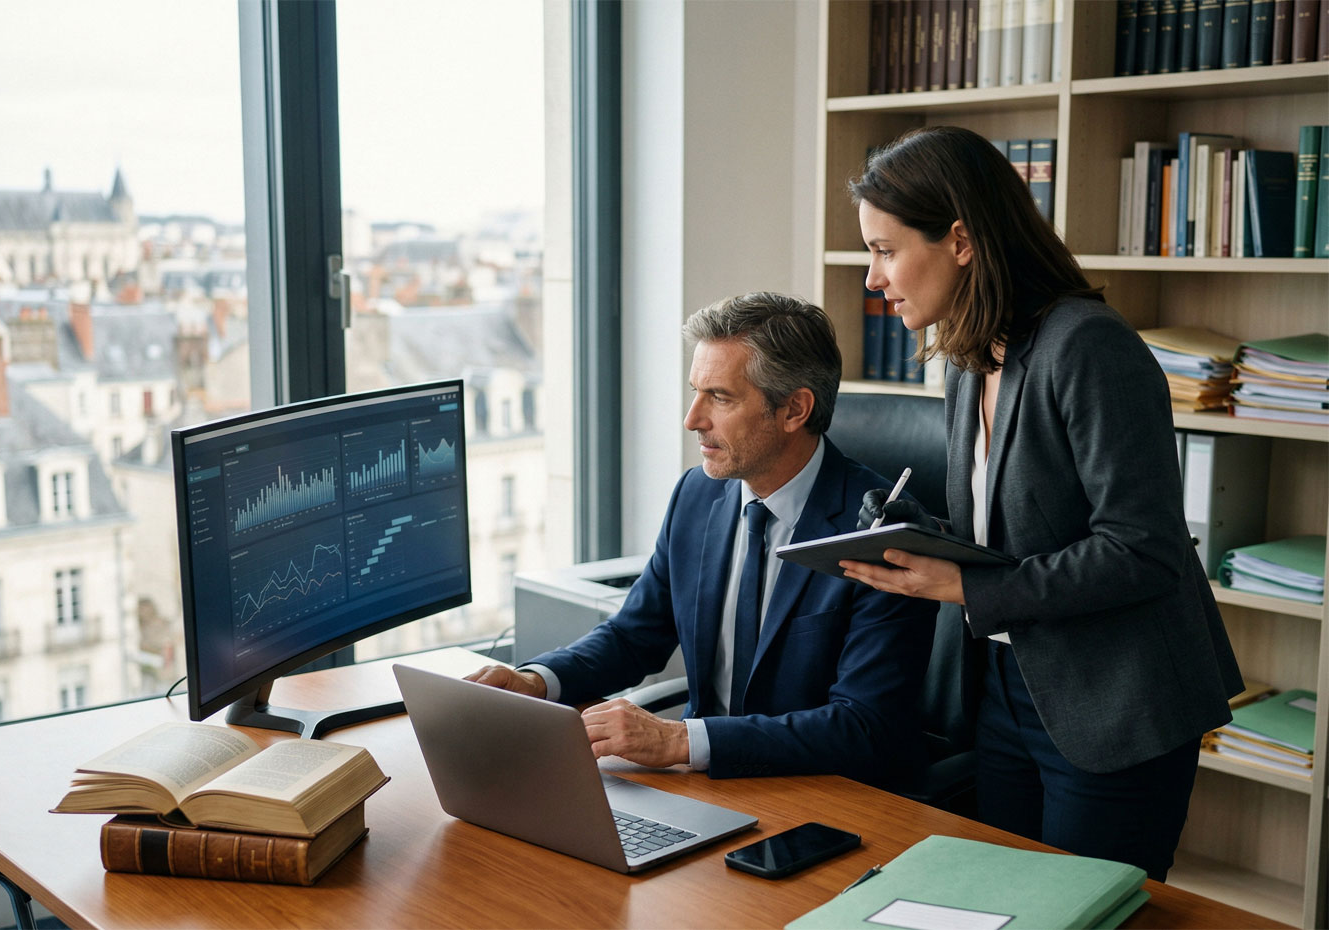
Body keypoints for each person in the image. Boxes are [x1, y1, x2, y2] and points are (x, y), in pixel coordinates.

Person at [838, 126, 1243, 880]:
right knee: (1009, 903)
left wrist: (965, 584)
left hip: (1114, 704)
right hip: (1007, 686)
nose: (872, 277)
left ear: (960, 239)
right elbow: (1014, 531)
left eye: (886, 250)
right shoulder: (969, 359)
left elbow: (1142, 549)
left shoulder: (1089, 347)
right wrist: (926, 538)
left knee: (1081, 913)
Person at [468, 292, 936, 789]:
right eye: (696, 392)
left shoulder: (880, 533)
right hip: (707, 784)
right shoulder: (698, 494)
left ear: (795, 409)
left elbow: (863, 726)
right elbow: (635, 635)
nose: (693, 419)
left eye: (720, 397)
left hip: (831, 797)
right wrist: (536, 681)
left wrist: (679, 741)